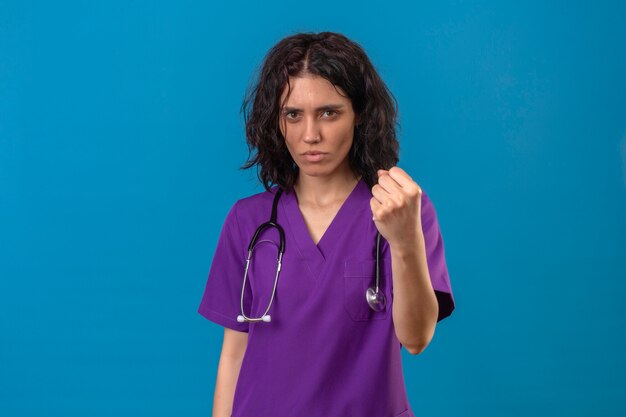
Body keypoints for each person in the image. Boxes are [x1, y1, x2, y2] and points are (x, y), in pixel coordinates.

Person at [197, 31, 455, 417]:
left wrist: (404, 242)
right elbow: (234, 354)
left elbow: (416, 339)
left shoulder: (399, 210)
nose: (310, 135)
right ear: (276, 120)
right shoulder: (248, 221)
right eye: (293, 114)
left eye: (329, 113)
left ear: (360, 113)